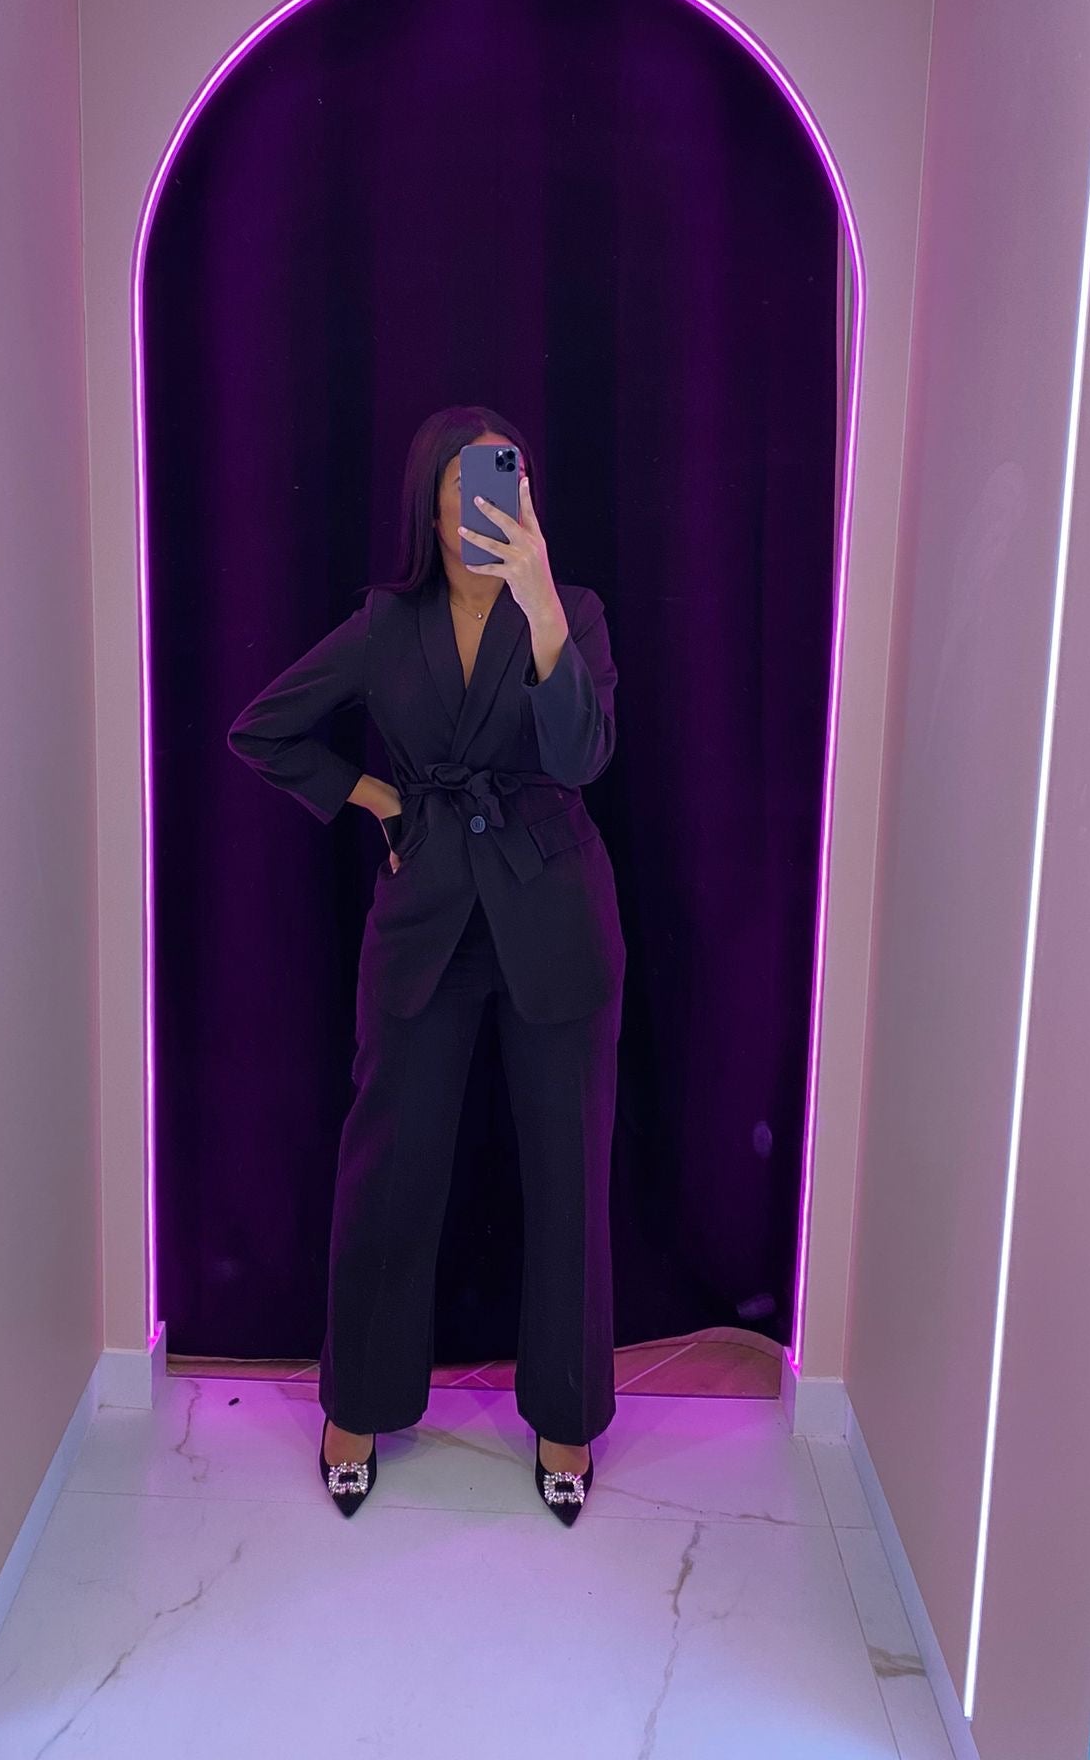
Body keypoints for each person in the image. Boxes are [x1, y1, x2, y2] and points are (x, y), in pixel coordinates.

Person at [226, 407, 626, 1526]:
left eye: (503, 483)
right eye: (462, 488)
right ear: (430, 506)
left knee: (569, 1174)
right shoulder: (384, 623)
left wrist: (541, 600)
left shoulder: (573, 610)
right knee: (389, 1169)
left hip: (555, 915)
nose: (482, 507)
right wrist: (372, 795)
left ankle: (566, 1415)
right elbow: (264, 729)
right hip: (427, 920)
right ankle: (357, 1403)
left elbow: (581, 754)